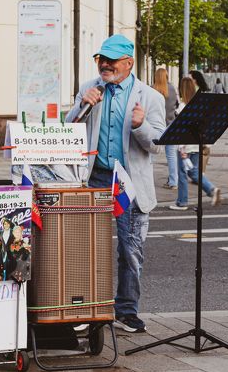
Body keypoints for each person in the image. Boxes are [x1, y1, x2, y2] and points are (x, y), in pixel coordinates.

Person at [67, 34, 165, 333]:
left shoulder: (149, 97)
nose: (105, 65)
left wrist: (140, 126)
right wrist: (81, 107)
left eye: (111, 60)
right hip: (94, 177)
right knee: (83, 248)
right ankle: (85, 308)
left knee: (130, 248)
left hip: (129, 183)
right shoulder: (89, 88)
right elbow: (68, 130)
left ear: (128, 63)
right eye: (101, 59)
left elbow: (157, 144)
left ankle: (126, 310)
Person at [169, 76, 220, 211]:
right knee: (194, 173)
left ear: (182, 90)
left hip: (185, 146)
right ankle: (211, 190)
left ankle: (182, 202)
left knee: (182, 174)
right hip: (197, 145)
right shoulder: (198, 106)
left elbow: (180, 129)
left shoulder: (182, 107)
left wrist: (181, 149)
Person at [151, 68, 179, 189]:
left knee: (150, 155)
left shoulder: (152, 89)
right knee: (171, 155)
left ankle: (147, 181)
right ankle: (173, 182)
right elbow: (176, 105)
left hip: (156, 125)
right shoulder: (172, 88)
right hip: (171, 125)